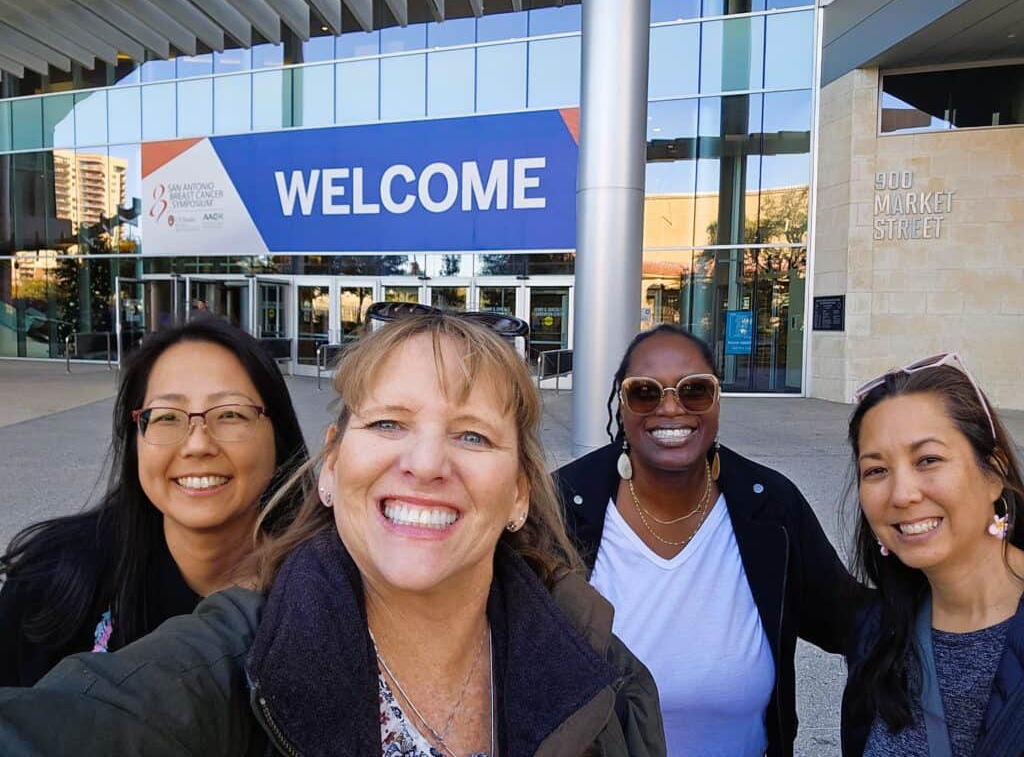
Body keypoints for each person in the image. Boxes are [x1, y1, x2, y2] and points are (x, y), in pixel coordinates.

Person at [0, 312, 666, 757]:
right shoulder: (231, 661)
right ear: (330, 466)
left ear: (519, 492)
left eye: (471, 434)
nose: (427, 463)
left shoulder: (609, 683)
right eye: (386, 424)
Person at [554, 324, 861, 757]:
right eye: (645, 392)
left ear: (717, 401)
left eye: (694, 390)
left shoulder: (771, 507)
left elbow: (854, 621)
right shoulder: (562, 506)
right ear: (620, 405)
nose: (671, 408)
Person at [0, 318, 308, 686]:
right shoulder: (53, 583)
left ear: (279, 437)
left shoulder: (326, 594)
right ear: (135, 442)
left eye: (230, 414)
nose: (197, 445)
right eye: (166, 417)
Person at [841, 352, 1024, 757]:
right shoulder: (880, 632)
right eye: (876, 470)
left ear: (993, 473)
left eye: (928, 460)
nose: (902, 494)